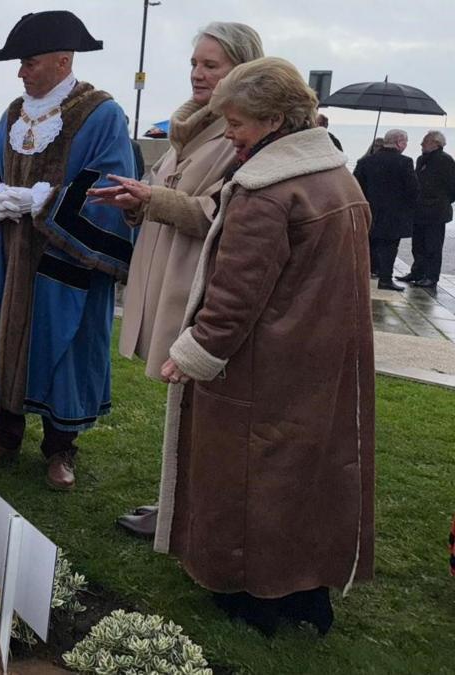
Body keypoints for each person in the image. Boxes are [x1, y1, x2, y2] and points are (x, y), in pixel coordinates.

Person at [157, 57, 374, 637]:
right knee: (307, 477)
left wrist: (193, 353)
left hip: (261, 365)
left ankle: (250, 596)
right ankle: (307, 592)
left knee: (251, 479)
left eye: (236, 123)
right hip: (321, 361)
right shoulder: (338, 179)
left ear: (275, 119)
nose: (229, 134)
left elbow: (235, 296)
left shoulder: (266, 191)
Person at [89, 21, 264, 539]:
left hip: (201, 285)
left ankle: (186, 510)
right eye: (194, 64)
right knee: (185, 402)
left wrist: (154, 200)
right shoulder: (188, 129)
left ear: (242, 70)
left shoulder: (242, 135)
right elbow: (163, 190)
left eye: (211, 65)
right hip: (170, 271)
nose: (198, 74)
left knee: (201, 402)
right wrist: (136, 201)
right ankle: (177, 503)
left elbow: (226, 212)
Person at [0, 11, 136, 489]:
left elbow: (112, 183)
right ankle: (3, 435)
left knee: (65, 350)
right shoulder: (12, 114)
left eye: (29, 62)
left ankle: (61, 449)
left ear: (63, 61)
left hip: (65, 257)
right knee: (4, 340)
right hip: (10, 255)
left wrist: (46, 202)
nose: (21, 72)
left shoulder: (102, 114)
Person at [354, 128, 419, 290]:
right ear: (398, 142)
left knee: (368, 245)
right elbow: (413, 190)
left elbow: (355, 186)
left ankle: (362, 277)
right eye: (405, 142)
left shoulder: (366, 162)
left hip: (370, 212)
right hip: (394, 214)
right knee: (389, 248)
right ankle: (385, 279)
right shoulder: (405, 162)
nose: (406, 145)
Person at [399, 131, 455, 288]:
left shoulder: (445, 160)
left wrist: (441, 200)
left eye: (425, 141)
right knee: (418, 244)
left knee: (433, 246)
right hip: (420, 209)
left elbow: (452, 187)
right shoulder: (421, 159)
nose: (421, 144)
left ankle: (431, 276)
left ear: (436, 143)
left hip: (436, 211)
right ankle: (417, 272)